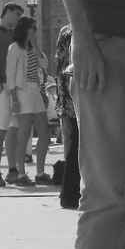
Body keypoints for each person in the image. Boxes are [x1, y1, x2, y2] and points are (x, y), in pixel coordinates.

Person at [6, 15, 51, 187]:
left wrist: (36, 45)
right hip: (22, 92)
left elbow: (44, 64)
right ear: (25, 29)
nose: (35, 31)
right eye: (33, 28)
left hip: (35, 91)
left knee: (44, 132)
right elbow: (10, 75)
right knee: (23, 134)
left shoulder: (32, 48)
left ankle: (40, 172)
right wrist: (14, 99)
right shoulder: (14, 48)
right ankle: (21, 173)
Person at [0, 2, 23, 187]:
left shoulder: (13, 34)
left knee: (14, 129)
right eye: (16, 14)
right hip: (2, 85)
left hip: (13, 86)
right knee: (0, 128)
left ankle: (12, 169)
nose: (18, 18)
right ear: (7, 12)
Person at [55, 24, 81, 209]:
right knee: (79, 145)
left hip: (68, 89)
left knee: (74, 145)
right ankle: (73, 194)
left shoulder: (66, 31)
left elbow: (59, 65)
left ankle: (69, 194)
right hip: (81, 90)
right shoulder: (79, 29)